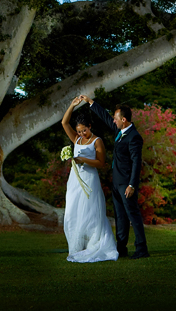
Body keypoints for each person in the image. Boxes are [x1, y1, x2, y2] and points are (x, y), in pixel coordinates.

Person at [80, 95, 149, 259]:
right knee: (120, 217)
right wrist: (91, 103)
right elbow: (105, 117)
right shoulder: (120, 131)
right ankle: (121, 248)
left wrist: (132, 185)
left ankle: (142, 249)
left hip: (126, 183)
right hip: (116, 182)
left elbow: (136, 162)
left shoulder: (134, 137)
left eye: (116, 119)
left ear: (124, 120)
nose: (113, 121)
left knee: (133, 215)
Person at [60, 96, 119, 263]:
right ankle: (78, 246)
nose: (81, 133)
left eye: (83, 130)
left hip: (90, 179)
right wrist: (72, 105)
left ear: (90, 127)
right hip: (74, 181)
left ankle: (95, 243)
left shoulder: (97, 141)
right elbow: (64, 123)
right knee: (74, 211)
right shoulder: (77, 139)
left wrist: (83, 160)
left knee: (91, 212)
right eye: (79, 131)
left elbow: (101, 163)